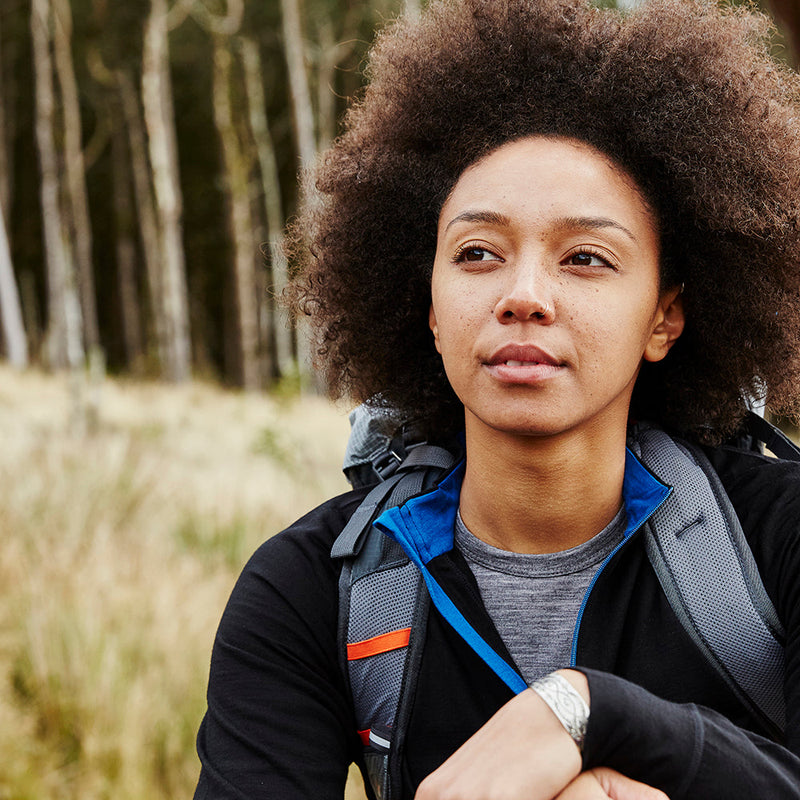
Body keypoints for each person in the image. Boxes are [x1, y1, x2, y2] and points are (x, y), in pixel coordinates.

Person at [193, 0, 800, 797]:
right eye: (478, 253)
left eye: (585, 258)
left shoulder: (778, 537)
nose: (523, 296)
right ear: (431, 310)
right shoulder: (310, 590)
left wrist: (594, 713)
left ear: (664, 317)